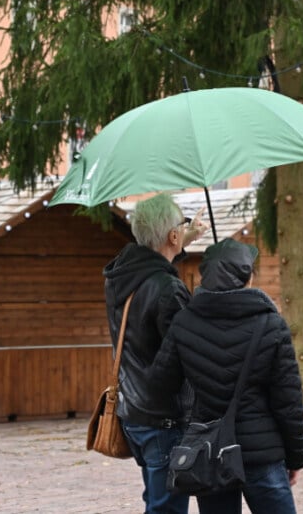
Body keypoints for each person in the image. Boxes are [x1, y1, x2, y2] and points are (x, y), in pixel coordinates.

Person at [152, 238, 303, 514]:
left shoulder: (184, 323)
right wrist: (296, 457)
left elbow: (161, 386)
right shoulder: (271, 324)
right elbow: (289, 402)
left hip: (210, 452)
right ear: (247, 277)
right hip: (263, 454)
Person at [103, 193, 206, 514]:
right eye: (181, 227)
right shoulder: (167, 288)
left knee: (157, 501)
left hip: (133, 410)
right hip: (164, 415)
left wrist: (179, 241)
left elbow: (151, 264)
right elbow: (188, 353)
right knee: (167, 508)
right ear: (172, 235)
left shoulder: (120, 276)